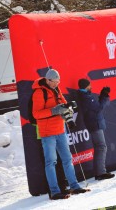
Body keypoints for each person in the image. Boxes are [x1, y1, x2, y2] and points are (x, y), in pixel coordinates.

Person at [32, 69, 90, 200]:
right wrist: (54, 110)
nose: (56, 85)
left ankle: (74, 186)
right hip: (47, 133)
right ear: (47, 80)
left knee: (68, 159)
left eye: (58, 82)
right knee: (51, 162)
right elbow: (36, 114)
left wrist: (68, 108)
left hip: (60, 130)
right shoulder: (39, 92)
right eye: (54, 83)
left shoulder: (57, 89)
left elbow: (63, 104)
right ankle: (54, 192)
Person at [77, 78, 115, 181]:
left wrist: (103, 95)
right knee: (101, 147)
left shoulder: (86, 95)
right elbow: (98, 108)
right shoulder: (85, 96)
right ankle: (101, 173)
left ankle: (100, 172)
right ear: (86, 86)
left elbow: (96, 106)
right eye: (89, 85)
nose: (91, 87)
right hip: (94, 124)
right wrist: (104, 96)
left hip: (94, 123)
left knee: (100, 147)